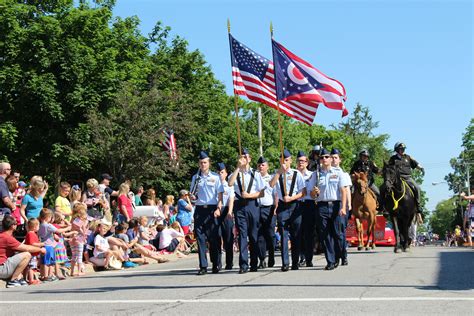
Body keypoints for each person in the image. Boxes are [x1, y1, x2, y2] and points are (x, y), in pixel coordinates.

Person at [309, 148, 349, 270]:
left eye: (326, 157)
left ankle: (338, 255)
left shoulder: (338, 172)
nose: (324, 159)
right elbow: (311, 194)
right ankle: (330, 260)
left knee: (337, 234)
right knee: (325, 235)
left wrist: (343, 207)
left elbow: (343, 191)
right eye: (322, 157)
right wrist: (314, 192)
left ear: (331, 159)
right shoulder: (316, 174)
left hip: (336, 205)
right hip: (322, 206)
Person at [228, 148, 265, 274]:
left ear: (249, 159)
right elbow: (230, 183)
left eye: (246, 157)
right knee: (242, 235)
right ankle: (243, 264)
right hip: (239, 206)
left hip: (252, 205)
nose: (243, 159)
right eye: (241, 156)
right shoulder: (236, 173)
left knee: (253, 234)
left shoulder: (256, 174)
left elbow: (261, 193)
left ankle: (254, 262)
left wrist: (249, 195)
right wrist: (238, 167)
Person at [269, 149, 306, 271]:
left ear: (290, 161)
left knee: (296, 235)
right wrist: (279, 172)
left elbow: (303, 192)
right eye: (282, 160)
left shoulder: (296, 174)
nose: (284, 162)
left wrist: (291, 198)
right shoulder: (277, 173)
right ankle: (285, 263)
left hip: (295, 206)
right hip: (282, 207)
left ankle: (295, 262)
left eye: (286, 160)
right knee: (284, 235)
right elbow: (271, 184)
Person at [190, 151, 223, 275]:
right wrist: (192, 198)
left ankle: (215, 263)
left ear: (209, 163)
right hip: (199, 209)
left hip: (211, 209)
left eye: (205, 162)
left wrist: (218, 208)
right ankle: (203, 266)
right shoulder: (196, 178)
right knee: (200, 239)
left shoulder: (215, 177)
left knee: (213, 238)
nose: (203, 165)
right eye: (201, 163)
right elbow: (193, 194)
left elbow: (220, 195)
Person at [0, 215, 46, 288]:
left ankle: (20, 278)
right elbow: (26, 248)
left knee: (21, 254)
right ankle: (13, 280)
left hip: (3, 267)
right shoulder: (7, 238)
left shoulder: (3, 236)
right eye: (16, 223)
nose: (17, 225)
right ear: (12, 226)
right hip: (2, 269)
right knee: (27, 255)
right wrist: (40, 249)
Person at [388, 142, 425, 219]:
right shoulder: (393, 159)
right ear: (397, 150)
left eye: (403, 149)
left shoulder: (408, 157)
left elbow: (415, 164)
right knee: (387, 188)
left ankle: (418, 206)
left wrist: (421, 168)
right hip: (397, 178)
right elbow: (388, 168)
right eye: (400, 149)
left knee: (417, 188)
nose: (402, 150)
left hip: (408, 178)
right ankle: (386, 208)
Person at [331, 148, 352, 266]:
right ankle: (336, 255)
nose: (333, 160)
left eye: (336, 158)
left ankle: (343, 254)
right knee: (333, 232)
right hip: (331, 204)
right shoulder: (326, 172)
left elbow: (347, 190)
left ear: (340, 160)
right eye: (332, 157)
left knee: (340, 232)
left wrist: (348, 205)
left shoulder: (343, 174)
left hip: (341, 205)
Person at [257, 156, 277, 269]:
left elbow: (276, 194)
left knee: (270, 234)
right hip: (257, 208)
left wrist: (275, 208)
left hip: (269, 208)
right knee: (259, 235)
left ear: (267, 166)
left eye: (263, 165)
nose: (261, 167)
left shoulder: (272, 178)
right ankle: (262, 259)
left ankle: (272, 255)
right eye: (259, 165)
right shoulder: (254, 178)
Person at [216, 162, 235, 270]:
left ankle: (229, 262)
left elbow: (231, 199)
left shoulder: (229, 186)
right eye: (218, 172)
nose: (220, 174)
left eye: (222, 172)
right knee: (217, 238)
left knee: (228, 238)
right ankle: (218, 263)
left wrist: (230, 212)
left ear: (226, 174)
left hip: (226, 211)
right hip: (217, 211)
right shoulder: (214, 184)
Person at [24, 218, 43, 285]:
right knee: (31, 267)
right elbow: (32, 243)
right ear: (35, 227)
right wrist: (41, 244)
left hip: (34, 254)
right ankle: (31, 280)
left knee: (33, 267)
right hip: (31, 254)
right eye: (38, 226)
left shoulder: (33, 233)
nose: (39, 227)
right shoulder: (31, 234)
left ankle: (30, 278)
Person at [0, 162, 15, 230]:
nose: (10, 171)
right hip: (3, 214)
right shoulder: (1, 182)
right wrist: (13, 206)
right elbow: (6, 199)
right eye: (9, 169)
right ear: (5, 170)